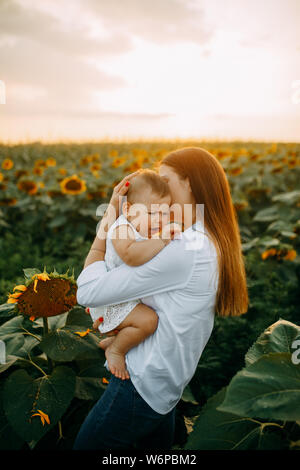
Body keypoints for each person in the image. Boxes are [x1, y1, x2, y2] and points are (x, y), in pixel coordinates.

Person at [73, 147, 249, 450]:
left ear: (189, 183)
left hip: (140, 382)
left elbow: (87, 293)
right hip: (165, 386)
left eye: (166, 180)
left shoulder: (183, 248)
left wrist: (110, 221)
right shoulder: (202, 238)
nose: (160, 187)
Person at [89, 169, 182, 380]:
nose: (159, 220)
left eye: (164, 212)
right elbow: (131, 255)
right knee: (148, 321)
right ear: (129, 210)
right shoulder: (122, 227)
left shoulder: (145, 229)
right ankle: (116, 350)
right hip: (112, 298)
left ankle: (117, 339)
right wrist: (163, 239)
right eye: (151, 213)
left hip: (126, 293)